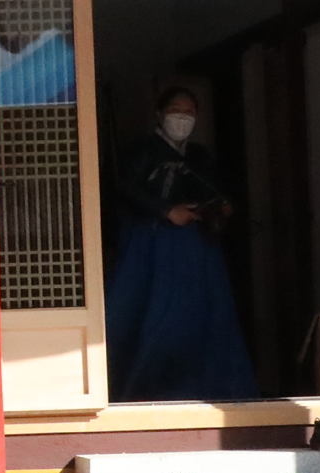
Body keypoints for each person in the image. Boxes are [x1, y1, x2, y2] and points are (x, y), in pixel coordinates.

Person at [105, 86, 258, 403]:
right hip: (149, 247)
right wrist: (166, 211)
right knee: (146, 316)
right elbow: (126, 188)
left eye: (189, 112)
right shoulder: (141, 150)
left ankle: (205, 392)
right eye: (176, 109)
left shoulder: (200, 155)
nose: (182, 117)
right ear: (159, 113)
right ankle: (141, 393)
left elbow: (213, 191)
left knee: (202, 319)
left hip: (195, 249)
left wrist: (218, 207)